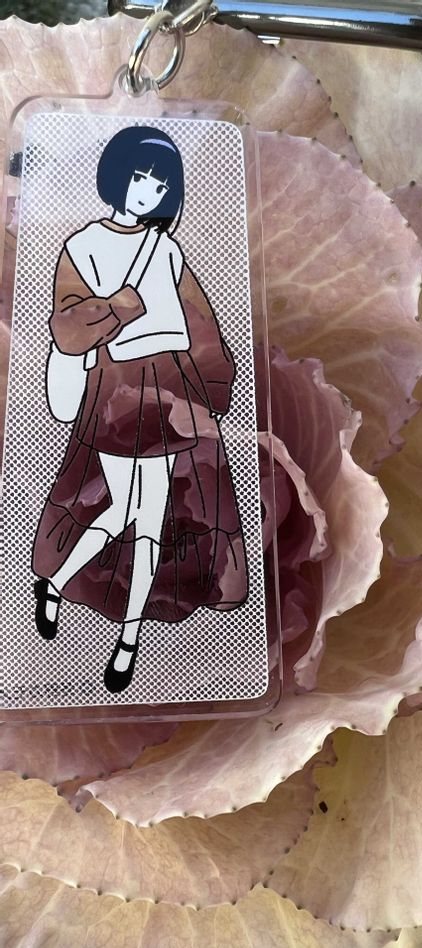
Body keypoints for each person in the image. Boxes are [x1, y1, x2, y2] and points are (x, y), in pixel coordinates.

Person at [32, 125, 248, 694]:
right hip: (119, 389)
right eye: (139, 178)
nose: (148, 192)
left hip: (171, 384)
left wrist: (213, 386)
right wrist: (118, 307)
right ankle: (59, 581)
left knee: (149, 517)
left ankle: (127, 639)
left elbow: (200, 325)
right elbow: (68, 327)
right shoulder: (82, 246)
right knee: (127, 507)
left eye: (160, 185)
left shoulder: (168, 250)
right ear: (116, 176)